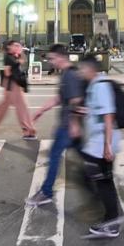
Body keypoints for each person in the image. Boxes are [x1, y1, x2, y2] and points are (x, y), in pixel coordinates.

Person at [26, 44, 85, 207]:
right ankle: (102, 186)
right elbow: (60, 98)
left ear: (60, 57)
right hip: (70, 126)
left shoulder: (70, 75)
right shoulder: (66, 73)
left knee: (54, 156)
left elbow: (75, 100)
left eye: (52, 59)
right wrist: (40, 111)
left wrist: (74, 124)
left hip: (68, 126)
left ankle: (46, 192)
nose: (50, 62)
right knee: (87, 159)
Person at [75, 54, 122, 238]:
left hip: (101, 142)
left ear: (89, 69)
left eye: (82, 69)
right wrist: (86, 111)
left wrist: (107, 146)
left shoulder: (100, 85)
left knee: (100, 180)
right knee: (101, 180)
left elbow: (109, 114)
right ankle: (111, 216)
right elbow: (99, 110)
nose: (80, 72)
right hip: (97, 142)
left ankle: (112, 221)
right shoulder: (95, 85)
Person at [0, 40, 36, 140]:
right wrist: (18, 63)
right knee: (22, 108)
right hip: (12, 84)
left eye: (19, 45)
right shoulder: (8, 57)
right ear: (9, 47)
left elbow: (24, 60)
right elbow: (7, 72)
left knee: (2, 109)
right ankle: (28, 131)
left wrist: (20, 53)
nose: (18, 47)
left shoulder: (14, 56)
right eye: (16, 45)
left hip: (12, 85)